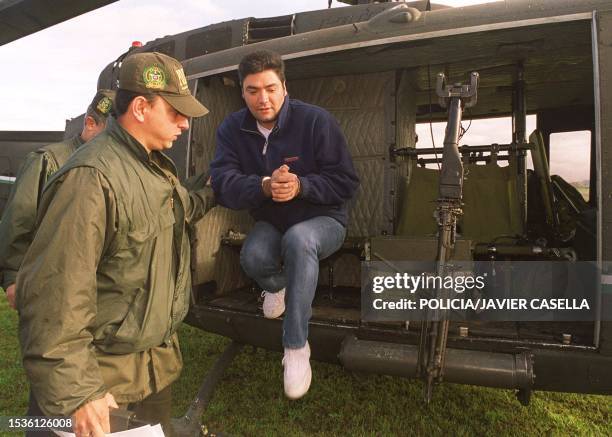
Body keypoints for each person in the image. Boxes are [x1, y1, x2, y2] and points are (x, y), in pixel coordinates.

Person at [16, 52, 213, 437]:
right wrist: (79, 392)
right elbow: (56, 294)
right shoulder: (92, 178)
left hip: (149, 373)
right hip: (99, 384)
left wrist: (222, 184)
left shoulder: (154, 169)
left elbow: (183, 208)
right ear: (140, 107)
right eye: (175, 111)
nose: (185, 124)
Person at [210, 50, 359, 400]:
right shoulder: (232, 129)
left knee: (299, 238)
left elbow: (346, 182)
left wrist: (301, 186)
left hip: (325, 221)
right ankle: (278, 286)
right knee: (252, 258)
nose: (263, 98)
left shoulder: (316, 121)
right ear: (242, 92)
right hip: (272, 220)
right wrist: (263, 185)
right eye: (253, 90)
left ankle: (295, 347)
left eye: (271, 88)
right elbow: (221, 181)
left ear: (284, 87)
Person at [0, 89, 115, 309]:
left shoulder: (114, 165)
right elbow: (19, 220)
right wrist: (12, 278)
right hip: (52, 283)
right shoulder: (49, 161)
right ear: (90, 123)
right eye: (110, 134)